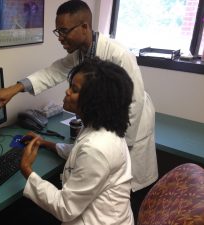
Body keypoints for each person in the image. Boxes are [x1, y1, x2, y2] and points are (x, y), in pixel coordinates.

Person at [0, 0, 158, 194]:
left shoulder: (119, 55)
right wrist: (15, 89)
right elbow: (53, 72)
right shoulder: (80, 54)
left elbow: (134, 103)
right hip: (104, 132)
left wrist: (117, 150)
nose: (60, 38)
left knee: (119, 189)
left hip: (128, 127)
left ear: (84, 27)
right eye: (58, 32)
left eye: (64, 31)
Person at [20, 57, 135, 225]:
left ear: (95, 100)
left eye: (74, 89)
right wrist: (47, 144)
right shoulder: (103, 125)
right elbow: (79, 153)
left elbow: (65, 208)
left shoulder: (97, 148)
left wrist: (26, 169)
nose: (67, 92)